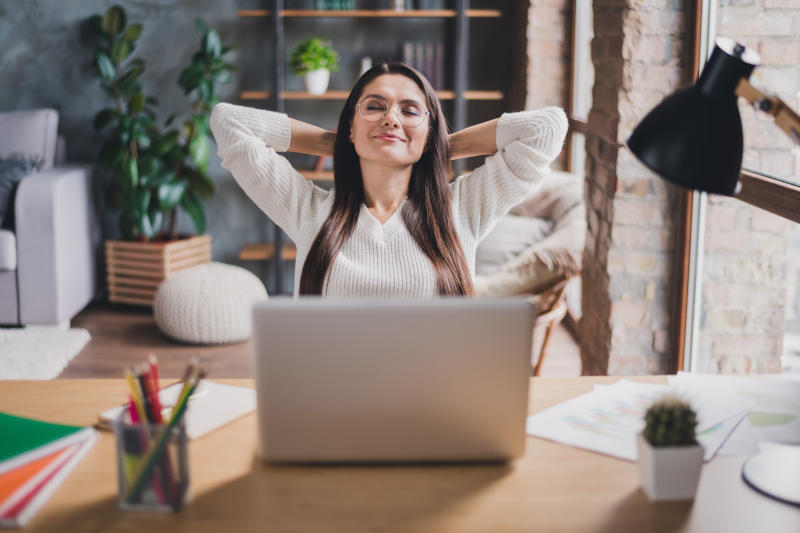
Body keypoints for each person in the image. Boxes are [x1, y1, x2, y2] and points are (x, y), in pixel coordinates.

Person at [210, 62, 567, 298]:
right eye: (375, 107)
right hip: (334, 397)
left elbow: (547, 128)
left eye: (409, 110)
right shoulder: (308, 211)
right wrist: (337, 143)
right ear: (351, 125)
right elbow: (228, 122)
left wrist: (438, 147)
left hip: (434, 399)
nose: (391, 118)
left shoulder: (463, 208)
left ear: (429, 132)